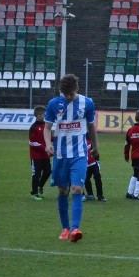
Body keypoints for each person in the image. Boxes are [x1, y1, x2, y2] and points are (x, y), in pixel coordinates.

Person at [44, 74, 98, 242]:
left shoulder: (87, 103)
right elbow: (47, 128)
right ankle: (65, 228)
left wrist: (96, 147)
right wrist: (48, 144)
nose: (69, 97)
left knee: (76, 189)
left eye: (71, 93)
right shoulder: (54, 104)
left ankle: (75, 229)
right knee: (62, 191)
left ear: (77, 89)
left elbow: (91, 126)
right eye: (66, 94)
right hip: (60, 155)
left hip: (79, 154)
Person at [28, 105, 51, 200]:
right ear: (38, 116)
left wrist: (56, 139)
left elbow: (49, 136)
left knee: (48, 171)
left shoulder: (46, 125)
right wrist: (44, 147)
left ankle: (40, 185)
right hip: (36, 156)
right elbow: (32, 142)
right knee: (36, 174)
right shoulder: (33, 127)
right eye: (43, 114)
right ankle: (34, 193)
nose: (45, 116)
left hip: (45, 155)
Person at [83, 136, 105, 202]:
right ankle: (90, 195)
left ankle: (100, 196)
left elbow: (96, 150)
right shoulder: (79, 141)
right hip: (84, 164)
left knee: (97, 177)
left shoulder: (90, 138)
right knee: (86, 179)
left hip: (93, 163)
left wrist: (97, 161)